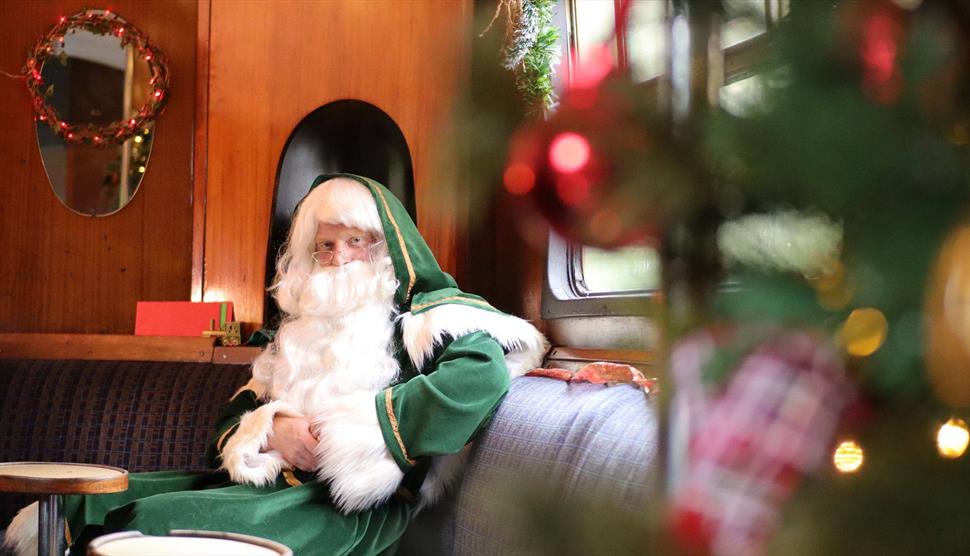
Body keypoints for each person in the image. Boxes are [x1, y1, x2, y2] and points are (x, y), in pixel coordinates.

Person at [3, 174, 547, 555]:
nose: (336, 258)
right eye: (325, 245)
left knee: (154, 525)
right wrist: (272, 429)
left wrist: (358, 431)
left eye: (353, 242)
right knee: (90, 507)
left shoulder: (427, 320)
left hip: (350, 512)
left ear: (385, 247)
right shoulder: (295, 328)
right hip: (271, 486)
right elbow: (235, 417)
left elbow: (481, 374)